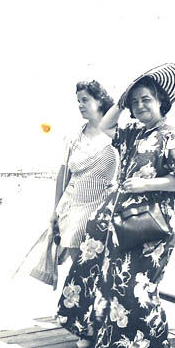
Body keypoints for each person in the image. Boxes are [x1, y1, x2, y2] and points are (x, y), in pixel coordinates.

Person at [56, 63, 175, 348]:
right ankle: (132, 346)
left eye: (146, 99)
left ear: (160, 100)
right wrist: (120, 101)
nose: (140, 107)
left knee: (139, 288)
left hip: (152, 222)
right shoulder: (133, 133)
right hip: (122, 220)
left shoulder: (172, 135)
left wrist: (146, 185)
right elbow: (106, 126)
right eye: (135, 103)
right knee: (108, 278)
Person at [49, 81, 119, 274]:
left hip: (102, 211)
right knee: (78, 271)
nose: (80, 105)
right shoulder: (73, 137)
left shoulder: (117, 135)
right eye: (78, 101)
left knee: (100, 272)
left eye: (85, 100)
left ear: (100, 100)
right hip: (73, 211)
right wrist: (55, 211)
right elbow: (63, 176)